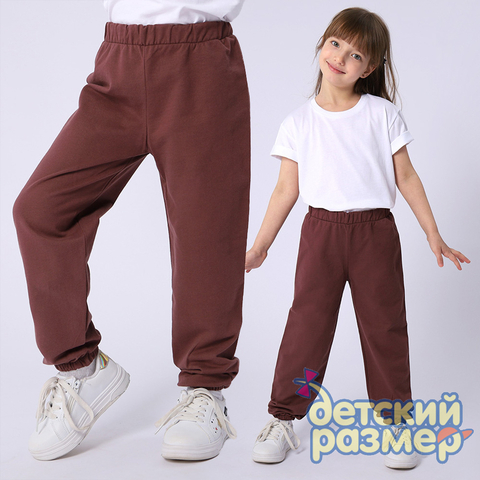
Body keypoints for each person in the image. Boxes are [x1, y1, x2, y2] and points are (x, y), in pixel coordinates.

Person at [13, 0, 250, 462]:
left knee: (206, 234)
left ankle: (205, 390)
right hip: (118, 59)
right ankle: (82, 371)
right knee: (41, 211)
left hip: (200, 62)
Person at [245, 7, 470, 469]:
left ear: (368, 68)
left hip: (374, 234)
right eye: (335, 44)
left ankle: (396, 421)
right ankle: (284, 416)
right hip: (320, 234)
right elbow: (286, 189)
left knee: (385, 327)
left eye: (355, 55)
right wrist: (261, 246)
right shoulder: (298, 122)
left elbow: (406, 176)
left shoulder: (381, 114)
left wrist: (433, 234)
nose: (340, 58)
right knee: (307, 327)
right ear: (322, 44)